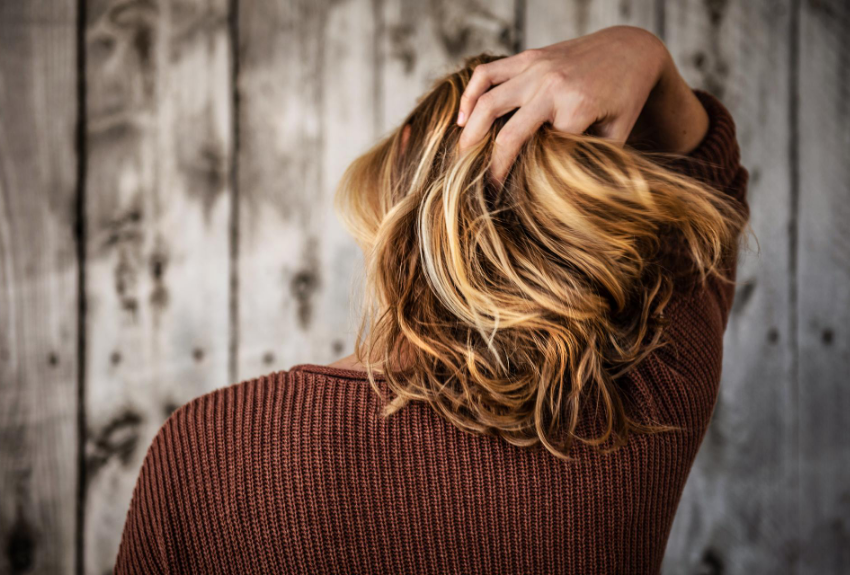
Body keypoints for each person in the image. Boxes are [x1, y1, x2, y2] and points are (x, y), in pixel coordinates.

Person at [115, 25, 750, 574]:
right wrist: (643, 55)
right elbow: (713, 188)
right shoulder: (646, 402)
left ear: (401, 163)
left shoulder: (208, 453)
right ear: (582, 212)